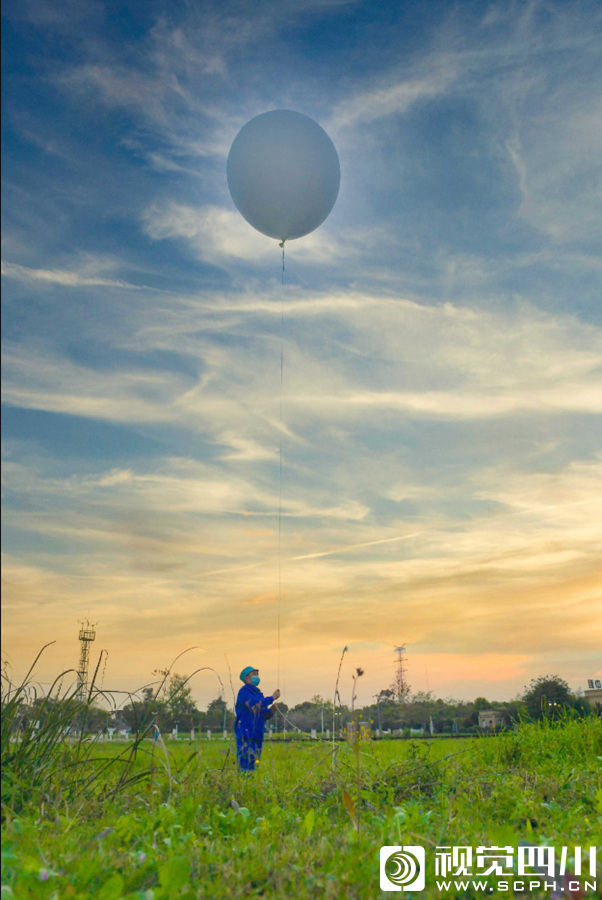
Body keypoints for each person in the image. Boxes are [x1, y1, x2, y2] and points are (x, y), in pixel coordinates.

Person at [235, 666, 280, 772]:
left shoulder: (258, 694)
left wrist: (271, 711)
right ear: (246, 678)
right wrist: (272, 698)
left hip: (257, 735)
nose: (256, 676)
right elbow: (254, 704)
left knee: (254, 765)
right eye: (253, 674)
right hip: (246, 734)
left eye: (257, 674)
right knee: (245, 766)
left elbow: (263, 715)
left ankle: (250, 786)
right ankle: (243, 786)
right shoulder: (244, 691)